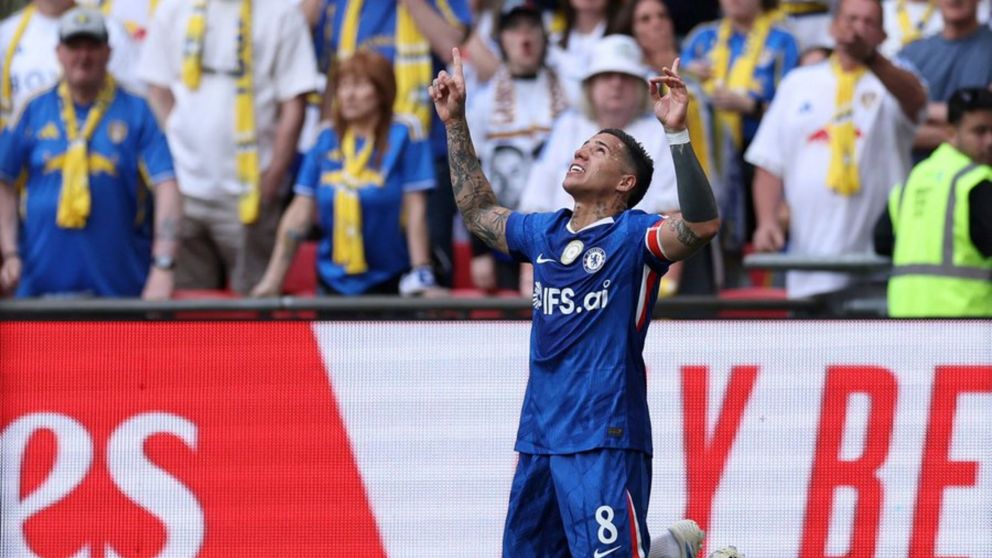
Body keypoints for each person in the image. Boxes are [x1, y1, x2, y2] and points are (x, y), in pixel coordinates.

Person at [430, 46, 720, 556]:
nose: (582, 151)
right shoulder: (543, 232)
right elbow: (478, 213)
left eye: (601, 150)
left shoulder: (635, 236)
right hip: (540, 435)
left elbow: (700, 225)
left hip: (604, 435)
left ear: (626, 184)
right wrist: (455, 121)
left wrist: (676, 131)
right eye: (583, 144)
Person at [745, 0, 927, 298]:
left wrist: (870, 58)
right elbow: (769, 161)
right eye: (851, 19)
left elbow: (916, 101)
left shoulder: (896, 78)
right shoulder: (797, 82)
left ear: (882, 34)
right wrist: (766, 221)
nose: (858, 28)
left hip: (879, 267)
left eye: (869, 22)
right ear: (832, 27)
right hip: (808, 264)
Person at [138, 0, 320, 295]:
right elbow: (157, 87)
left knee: (255, 305)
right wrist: (181, 144)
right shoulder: (172, 8)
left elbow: (294, 104)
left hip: (250, 195)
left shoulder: (281, 12)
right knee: (189, 308)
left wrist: (272, 178)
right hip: (186, 191)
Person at [0, 7, 180, 299]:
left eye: (92, 46)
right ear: (58, 52)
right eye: (74, 46)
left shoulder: (138, 111)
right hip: (38, 290)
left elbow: (167, 184)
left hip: (119, 290)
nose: (83, 56)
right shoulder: (31, 110)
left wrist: (163, 266)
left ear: (108, 52)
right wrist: (9, 253)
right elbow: (3, 180)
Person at [308, 0, 473, 288]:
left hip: (426, 148)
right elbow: (333, 80)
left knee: (427, 273)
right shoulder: (340, 5)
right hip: (353, 152)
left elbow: (452, 47)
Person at [252, 50, 436, 297]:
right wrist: (272, 281)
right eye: (343, 85)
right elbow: (300, 211)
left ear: (382, 91)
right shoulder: (325, 138)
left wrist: (421, 273)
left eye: (359, 85)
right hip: (332, 281)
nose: (348, 95)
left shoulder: (405, 133)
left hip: (391, 279)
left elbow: (416, 209)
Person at [680, 0, 799, 281]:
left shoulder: (783, 41)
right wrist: (690, 76)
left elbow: (794, 108)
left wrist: (749, 106)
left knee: (766, 234)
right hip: (710, 155)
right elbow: (677, 89)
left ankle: (769, 301)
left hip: (763, 155)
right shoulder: (701, 38)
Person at [465, 0, 568, 292]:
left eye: (531, 29)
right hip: (506, 232)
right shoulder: (481, 102)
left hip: (560, 230)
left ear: (544, 37)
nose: (524, 38)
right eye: (514, 30)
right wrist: (479, 251)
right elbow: (471, 175)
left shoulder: (569, 91)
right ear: (501, 41)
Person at [874, 87, 992, 316]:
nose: (990, 141)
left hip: (905, 324)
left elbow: (882, 241)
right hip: (965, 329)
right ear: (950, 133)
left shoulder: (914, 179)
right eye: (980, 131)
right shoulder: (978, 183)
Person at [0, 0, 140, 128]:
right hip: (26, 148)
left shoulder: (109, 29)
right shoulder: (6, 34)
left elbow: (135, 101)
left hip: (105, 143)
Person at [898, 0, 992, 158]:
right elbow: (894, 126)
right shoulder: (910, 55)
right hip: (922, 178)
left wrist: (921, 111)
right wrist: (967, 129)